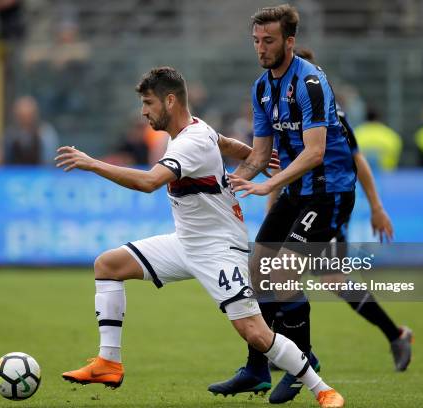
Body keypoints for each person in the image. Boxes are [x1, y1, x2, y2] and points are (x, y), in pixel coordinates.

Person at [55, 67, 345, 408]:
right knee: (108, 265)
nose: (143, 111)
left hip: (219, 249)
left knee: (255, 332)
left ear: (171, 100)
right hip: (186, 242)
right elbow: (223, 143)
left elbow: (150, 182)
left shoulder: (189, 142)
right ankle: (108, 362)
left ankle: (322, 389)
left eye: (148, 103)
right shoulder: (197, 130)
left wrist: (93, 164)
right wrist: (255, 156)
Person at [208, 5, 356, 404]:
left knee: (283, 271)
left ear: (289, 41)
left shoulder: (309, 82)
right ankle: (256, 369)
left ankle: (302, 363)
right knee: (258, 271)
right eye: (256, 40)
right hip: (295, 191)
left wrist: (268, 183)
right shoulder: (260, 87)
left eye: (269, 41)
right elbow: (259, 155)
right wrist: (234, 178)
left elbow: (315, 152)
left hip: (329, 191)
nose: (261, 48)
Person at [265, 47, 413, 384]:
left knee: (308, 277)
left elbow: (356, 159)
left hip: (322, 204)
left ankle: (296, 355)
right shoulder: (277, 106)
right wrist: (273, 200)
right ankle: (286, 352)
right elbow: (280, 161)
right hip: (295, 202)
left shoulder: (329, 111)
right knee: (281, 273)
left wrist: (376, 206)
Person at [6, 96, 59, 165]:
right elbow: (5, 161)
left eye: (28, 116)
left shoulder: (45, 133)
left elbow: (50, 161)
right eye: (21, 117)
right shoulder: (10, 134)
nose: (25, 120)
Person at [353, 107, 402, 171]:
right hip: (387, 174)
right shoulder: (391, 135)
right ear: (378, 118)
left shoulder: (355, 134)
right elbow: (396, 152)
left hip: (361, 175)